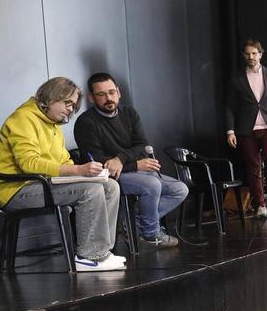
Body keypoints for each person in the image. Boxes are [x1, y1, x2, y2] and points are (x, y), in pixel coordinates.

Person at [0, 77, 124, 272]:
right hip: (15, 190)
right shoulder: (23, 118)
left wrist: (88, 173)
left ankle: (102, 252)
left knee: (110, 186)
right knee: (90, 190)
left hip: (42, 184)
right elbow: (29, 164)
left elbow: (63, 161)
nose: (70, 109)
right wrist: (78, 170)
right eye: (67, 103)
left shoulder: (53, 125)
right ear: (50, 98)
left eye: (73, 105)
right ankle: (89, 256)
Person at [74, 73, 188, 248]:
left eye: (112, 92)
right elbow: (96, 160)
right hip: (106, 177)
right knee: (152, 185)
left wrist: (121, 159)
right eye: (101, 94)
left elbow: (142, 145)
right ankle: (150, 234)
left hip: (132, 170)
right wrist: (134, 164)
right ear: (91, 97)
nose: (108, 98)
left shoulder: (129, 113)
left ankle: (135, 223)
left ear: (119, 92)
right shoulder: (86, 122)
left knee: (179, 189)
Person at [225, 39, 267, 219]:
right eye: (247, 53)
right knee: (253, 167)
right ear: (243, 56)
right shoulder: (237, 78)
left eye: (254, 53)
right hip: (247, 130)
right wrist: (230, 131)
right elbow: (229, 106)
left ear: (261, 54)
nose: (251, 57)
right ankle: (260, 205)